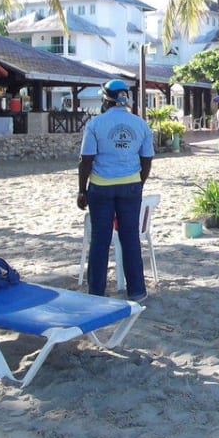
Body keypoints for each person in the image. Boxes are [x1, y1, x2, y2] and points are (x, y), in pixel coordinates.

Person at [77, 79, 154, 301]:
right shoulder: (140, 124)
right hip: (130, 186)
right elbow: (147, 160)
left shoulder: (95, 124)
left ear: (105, 99)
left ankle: (96, 292)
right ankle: (137, 291)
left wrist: (82, 190)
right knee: (130, 237)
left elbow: (86, 160)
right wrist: (138, 184)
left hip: (100, 188)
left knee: (100, 240)